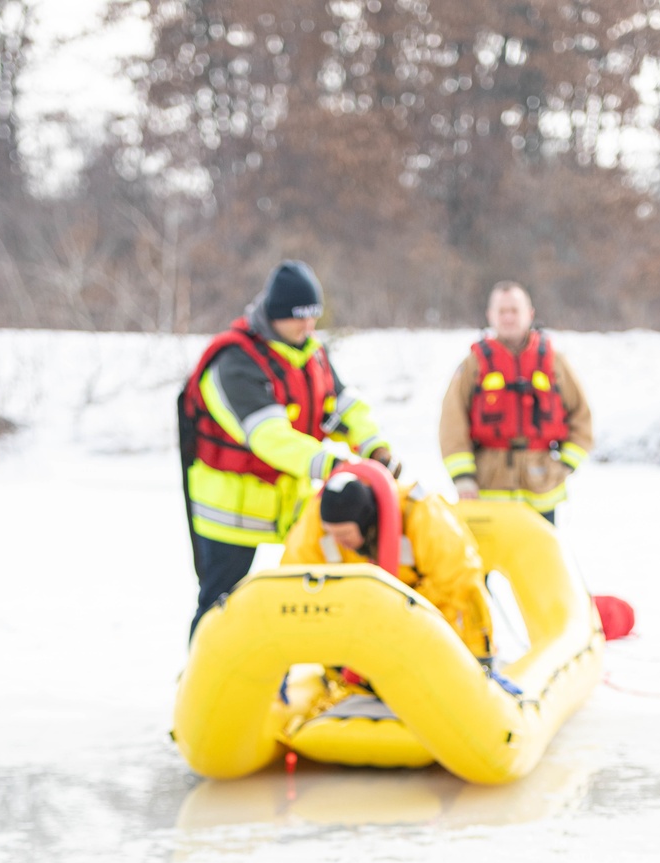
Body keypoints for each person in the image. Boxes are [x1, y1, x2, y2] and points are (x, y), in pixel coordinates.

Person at [179, 261, 392, 636]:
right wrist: (329, 463)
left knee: (305, 599)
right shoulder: (233, 362)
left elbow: (344, 407)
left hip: (288, 505)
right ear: (274, 315)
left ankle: (296, 678)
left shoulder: (311, 353)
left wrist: (374, 446)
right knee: (219, 605)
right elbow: (268, 436)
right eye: (298, 318)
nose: (308, 326)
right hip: (231, 511)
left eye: (313, 317)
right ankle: (201, 681)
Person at [281, 471, 494, 660]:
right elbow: (292, 583)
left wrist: (479, 653)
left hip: (425, 627)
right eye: (332, 533)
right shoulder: (317, 524)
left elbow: (463, 584)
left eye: (345, 534)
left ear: (366, 523)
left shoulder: (420, 515)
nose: (338, 541)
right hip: (360, 633)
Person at [439, 282, 593, 523]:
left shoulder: (554, 362)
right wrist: (463, 478)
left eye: (514, 310)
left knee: (540, 560)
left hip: (541, 489)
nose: (508, 317)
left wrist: (564, 465)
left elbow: (582, 418)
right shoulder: (473, 365)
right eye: (502, 311)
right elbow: (452, 424)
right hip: (487, 489)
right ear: (490, 315)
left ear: (529, 314)